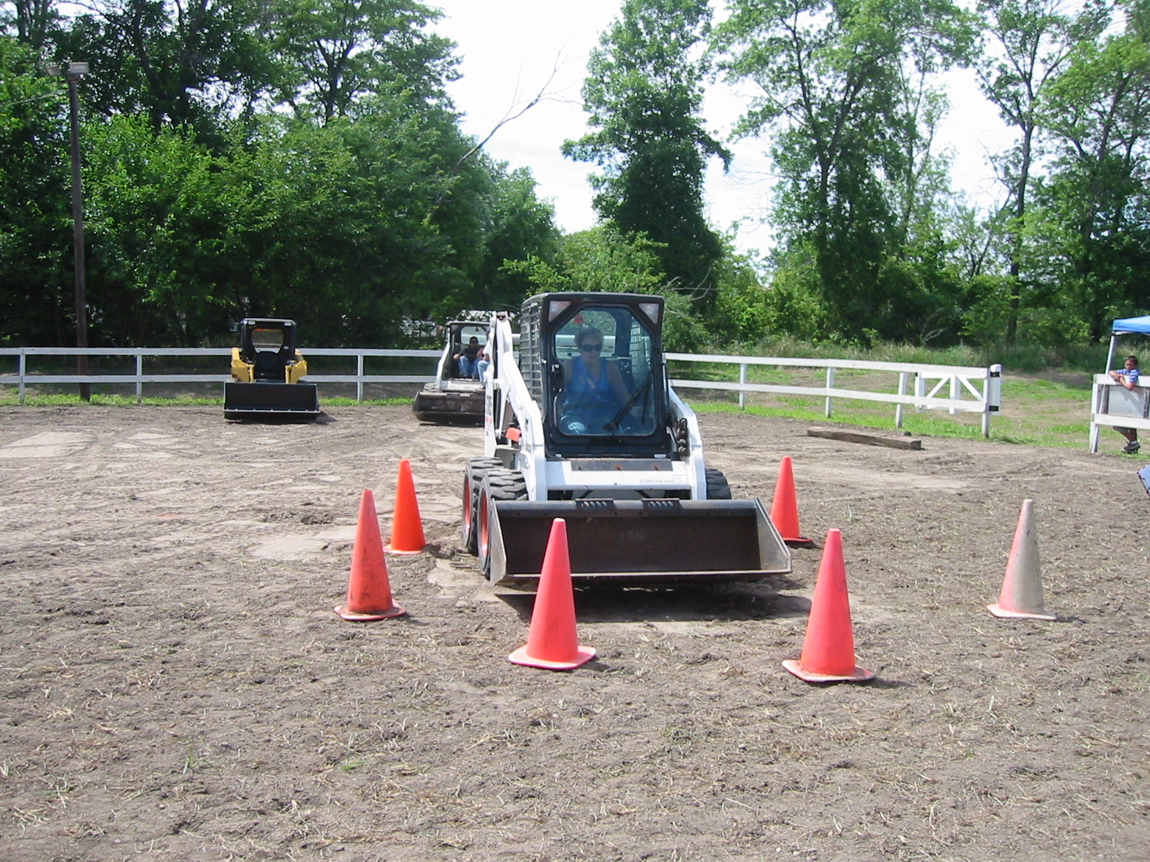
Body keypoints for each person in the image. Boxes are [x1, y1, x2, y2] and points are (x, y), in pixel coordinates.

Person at [559, 326, 631, 433]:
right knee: (578, 433)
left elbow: (624, 397)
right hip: (574, 415)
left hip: (604, 417)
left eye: (597, 347)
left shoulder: (610, 367)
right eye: (588, 348)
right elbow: (557, 397)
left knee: (616, 434)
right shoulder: (569, 367)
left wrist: (634, 410)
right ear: (579, 347)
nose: (593, 352)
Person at [1108, 355, 1141, 454]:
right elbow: (1112, 371)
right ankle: (1133, 446)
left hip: (1135, 403)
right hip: (1130, 404)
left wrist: (1121, 380)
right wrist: (1115, 375)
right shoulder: (1126, 372)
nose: (1127, 367)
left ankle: (1134, 442)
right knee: (1130, 426)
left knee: (1119, 425)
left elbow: (1130, 386)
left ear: (1134, 365)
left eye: (1129, 365)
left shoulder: (1134, 373)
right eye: (1126, 364)